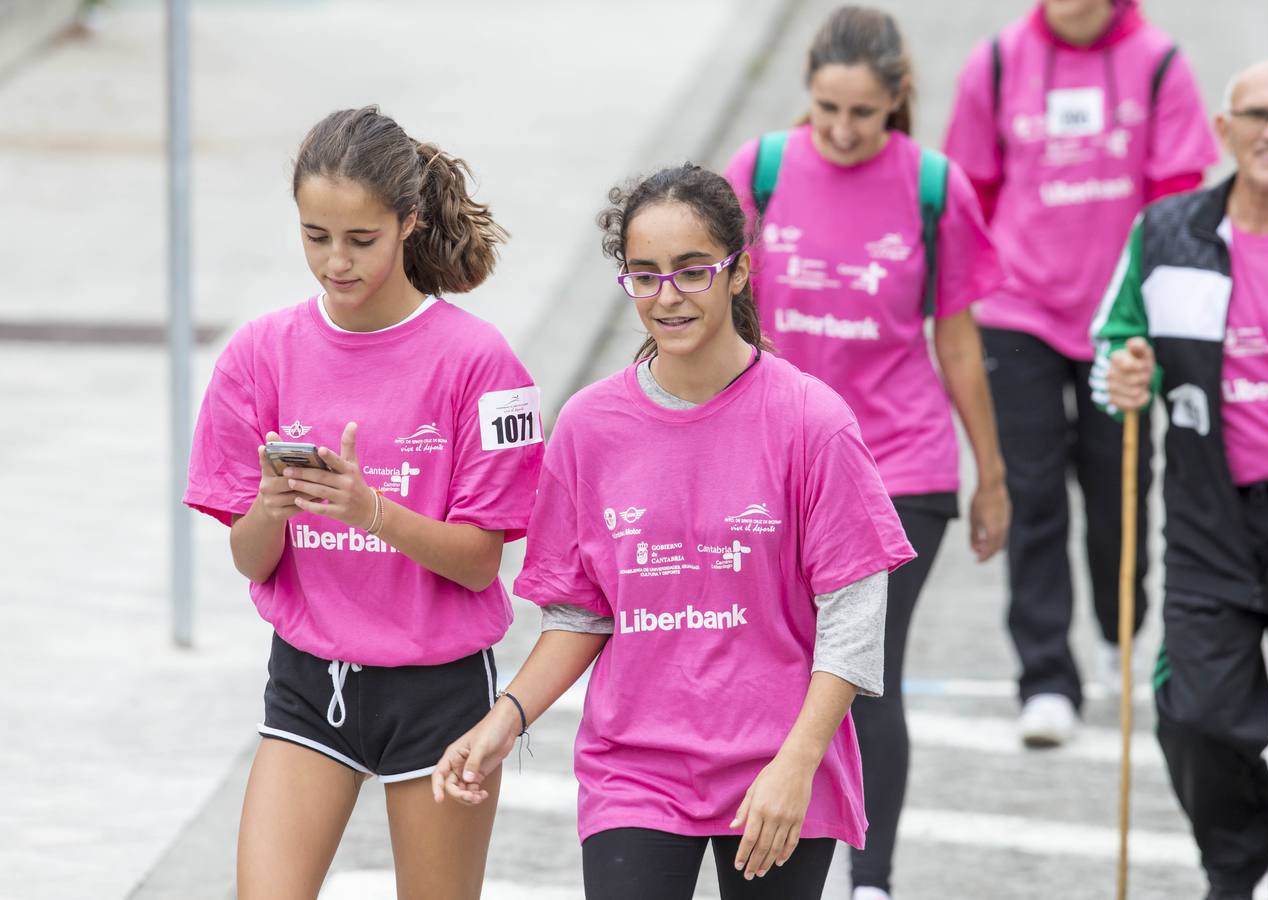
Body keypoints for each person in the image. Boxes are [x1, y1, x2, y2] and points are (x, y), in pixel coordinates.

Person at [431, 163, 914, 900]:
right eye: (645, 275)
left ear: (738, 271)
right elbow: (580, 614)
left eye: (692, 271)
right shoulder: (588, 427)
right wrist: (504, 720)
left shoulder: (812, 421)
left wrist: (798, 765)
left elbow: (852, 616)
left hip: (777, 765)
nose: (667, 296)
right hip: (634, 770)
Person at [183, 106, 543, 900]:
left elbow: (480, 564)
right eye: (315, 236)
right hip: (309, 683)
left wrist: (371, 511)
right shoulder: (259, 354)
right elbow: (251, 561)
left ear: (408, 222)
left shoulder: (482, 363)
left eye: (360, 239)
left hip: (439, 691)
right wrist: (270, 507)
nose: (335, 261)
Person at [721, 8, 1009, 898]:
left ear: (897, 100)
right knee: (776, 664)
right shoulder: (760, 172)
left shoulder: (933, 186)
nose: (843, 131)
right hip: (775, 460)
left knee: (861, 670)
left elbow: (956, 339)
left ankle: (870, 879)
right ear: (807, 91)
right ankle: (767, 846)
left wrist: (991, 475)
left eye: (863, 113)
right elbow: (713, 312)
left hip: (900, 466)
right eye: (828, 109)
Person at [1097, 60, 1268, 900]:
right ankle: (1235, 867)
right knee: (1199, 714)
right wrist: (1122, 374)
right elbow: (1114, 347)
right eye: (1258, 115)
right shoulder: (1166, 235)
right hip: (1212, 527)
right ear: (1225, 128)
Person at [942, 0, 1218, 746]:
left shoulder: (1158, 63)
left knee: (1119, 490)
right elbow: (972, 195)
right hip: (1018, 312)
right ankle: (1045, 679)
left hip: (1119, 318)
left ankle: (1119, 632)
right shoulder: (996, 63)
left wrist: (1157, 310)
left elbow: (1177, 198)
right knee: (1031, 494)